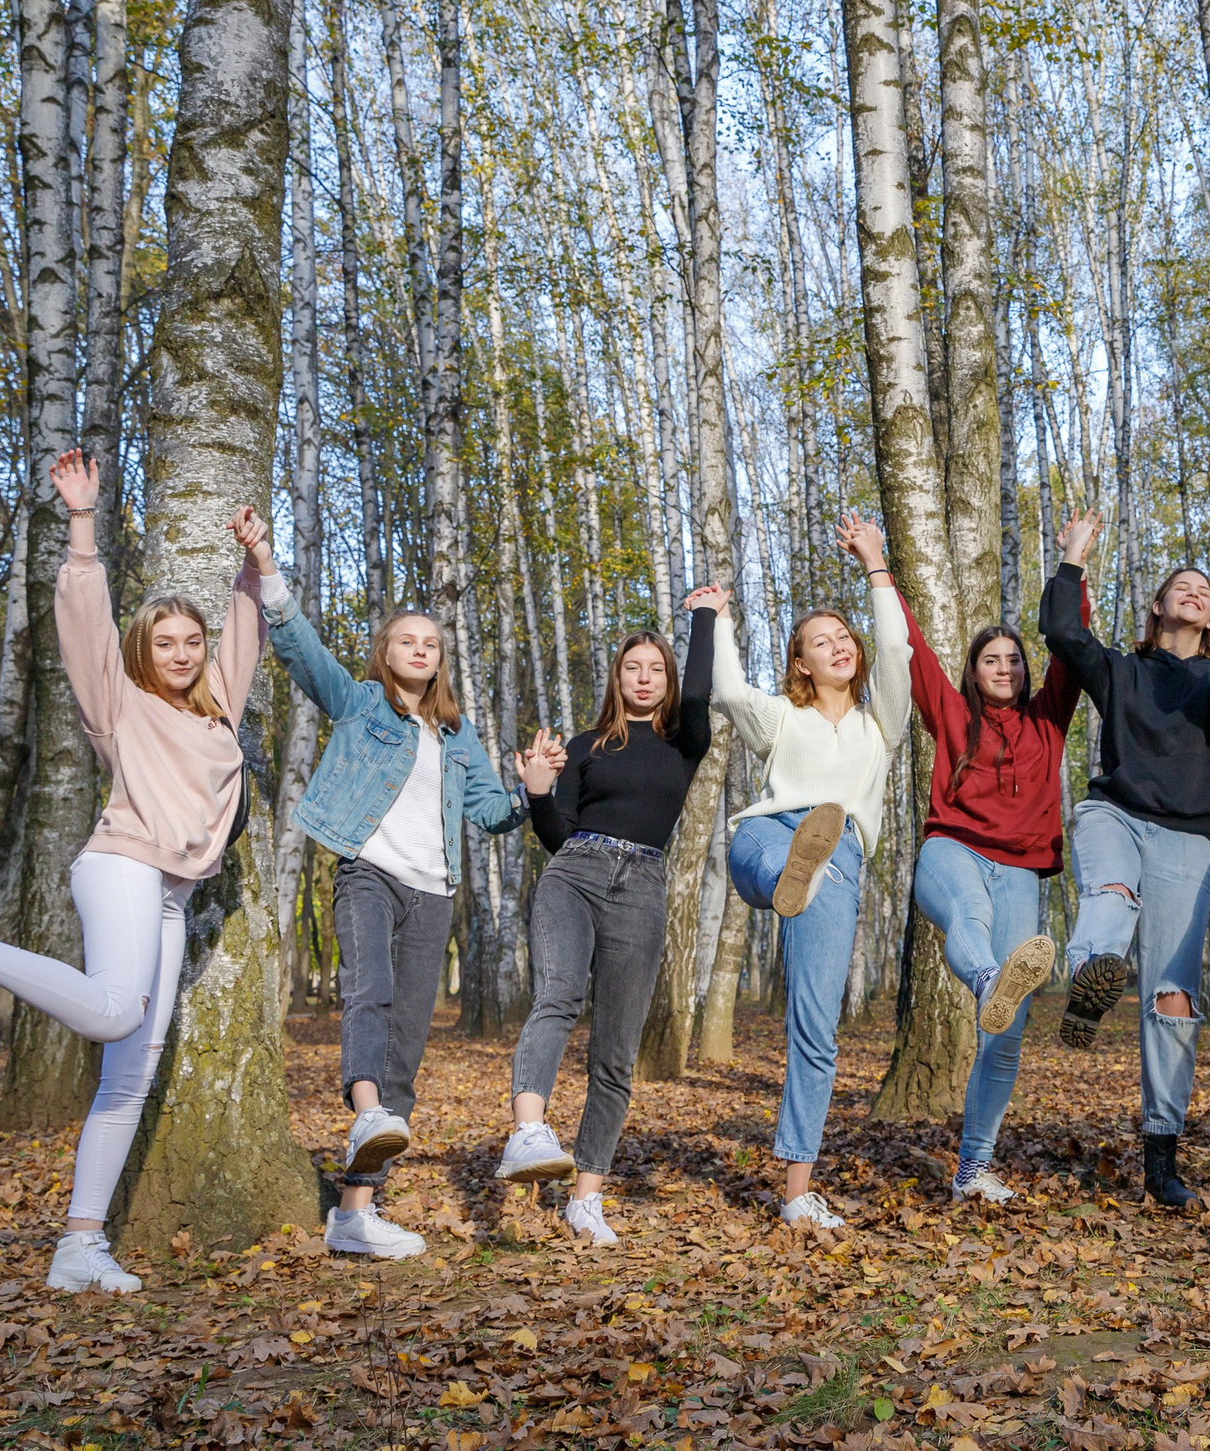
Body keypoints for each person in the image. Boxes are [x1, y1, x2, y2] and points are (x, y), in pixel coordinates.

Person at [0, 449, 262, 1294]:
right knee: (112, 1016)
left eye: (191, 641)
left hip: (169, 896)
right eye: (164, 641)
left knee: (129, 1076)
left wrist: (257, 561)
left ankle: (79, 1245)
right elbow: (85, 626)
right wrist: (80, 525)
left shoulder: (220, 705)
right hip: (118, 868)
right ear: (144, 650)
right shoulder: (120, 701)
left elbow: (247, 626)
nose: (179, 653)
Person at [254, 523, 530, 1261]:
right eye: (406, 639)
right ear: (386, 652)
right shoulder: (361, 704)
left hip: (432, 893)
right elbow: (301, 653)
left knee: (406, 1040)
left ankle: (355, 1212)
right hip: (367, 872)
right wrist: (267, 568)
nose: (419, 649)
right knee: (367, 992)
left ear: (440, 661)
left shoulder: (455, 731)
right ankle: (366, 1112)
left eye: (430, 643)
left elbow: (491, 812)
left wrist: (534, 790)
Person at [495, 587, 723, 1245]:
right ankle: (529, 1131)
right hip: (575, 873)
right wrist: (538, 790)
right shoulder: (586, 744)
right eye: (633, 667)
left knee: (616, 1051)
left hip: (643, 886)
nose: (645, 677)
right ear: (617, 677)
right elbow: (556, 835)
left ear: (668, 678)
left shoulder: (686, 739)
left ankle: (585, 1197)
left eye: (656, 668)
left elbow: (703, 693)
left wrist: (704, 615)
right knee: (558, 997)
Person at [1043, 513, 1210, 1208]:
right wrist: (1074, 555)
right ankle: (1090, 976)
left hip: (1186, 840)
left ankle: (1162, 1155)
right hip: (1115, 814)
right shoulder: (1122, 670)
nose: (1193, 592)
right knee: (1109, 891)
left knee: (1175, 998)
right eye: (1180, 586)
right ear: (1158, 607)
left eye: (1204, 590)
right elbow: (1063, 632)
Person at [713, 513, 912, 1231]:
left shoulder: (879, 723)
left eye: (842, 637)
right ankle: (782, 882)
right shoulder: (780, 718)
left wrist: (875, 564)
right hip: (769, 837)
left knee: (816, 1028)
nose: (839, 645)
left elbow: (896, 645)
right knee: (765, 853)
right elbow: (732, 694)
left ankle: (796, 1189)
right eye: (820, 641)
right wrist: (720, 620)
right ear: (800, 663)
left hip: (837, 851)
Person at [902, 581, 1088, 1205]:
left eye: (1013, 659)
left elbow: (1071, 643)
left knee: (1004, 1038)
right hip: (951, 852)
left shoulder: (1046, 719)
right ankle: (988, 979)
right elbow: (912, 651)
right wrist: (877, 568)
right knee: (971, 917)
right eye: (991, 659)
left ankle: (972, 1170)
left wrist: (1074, 566)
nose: (1004, 668)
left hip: (1021, 871)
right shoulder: (952, 713)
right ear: (974, 671)